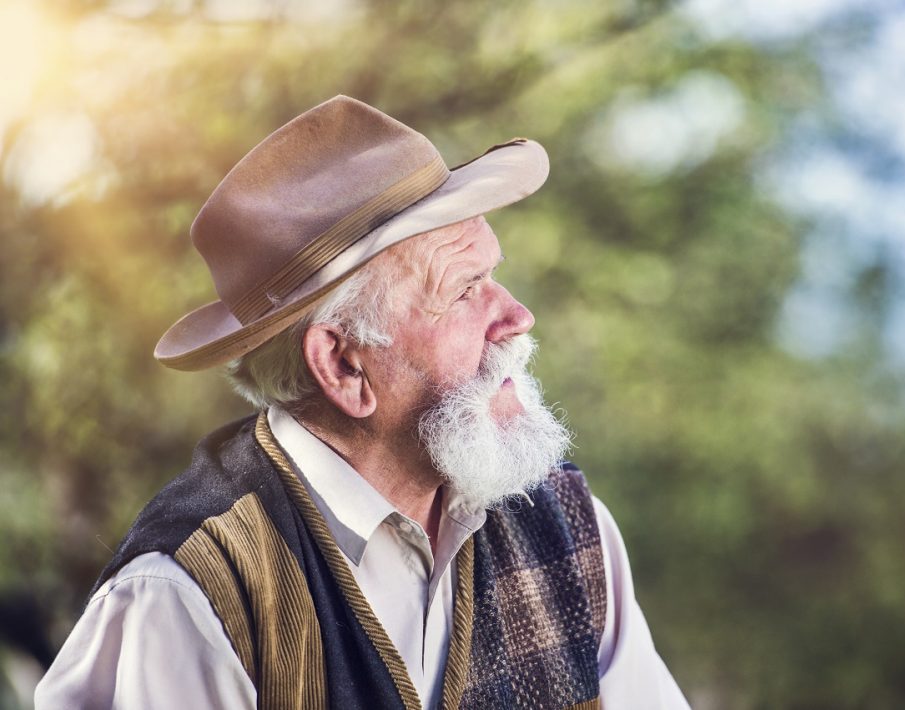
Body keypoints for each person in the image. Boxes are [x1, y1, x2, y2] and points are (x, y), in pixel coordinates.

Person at [36, 96, 689, 709]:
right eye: (466, 291)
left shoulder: (568, 529)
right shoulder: (190, 596)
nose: (517, 316)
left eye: (492, 274)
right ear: (344, 365)